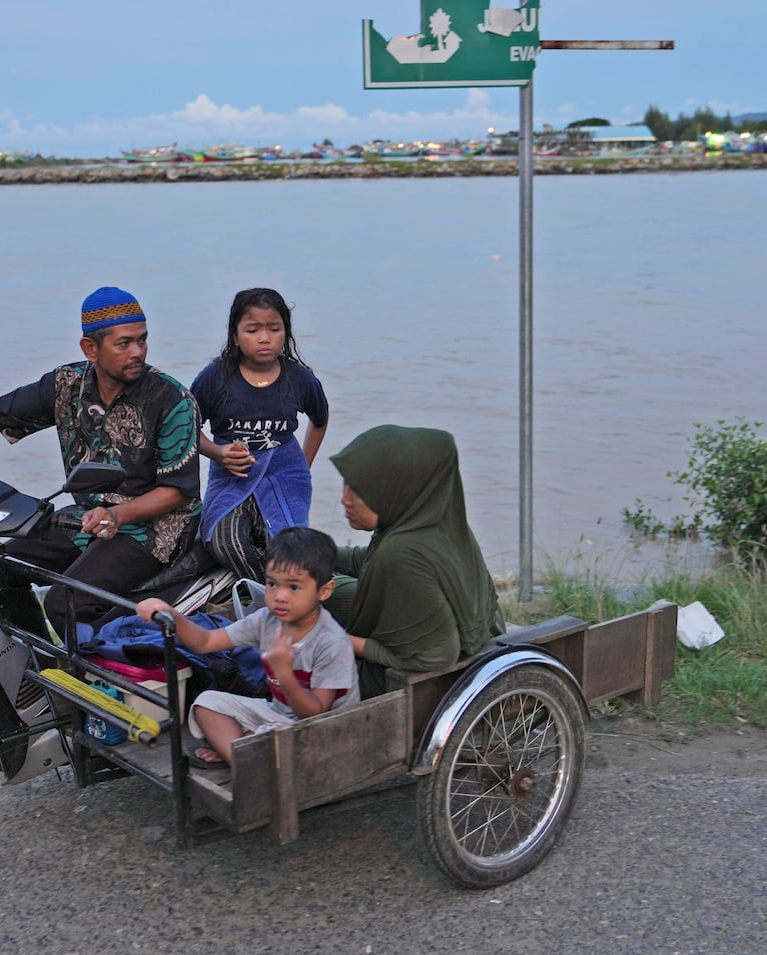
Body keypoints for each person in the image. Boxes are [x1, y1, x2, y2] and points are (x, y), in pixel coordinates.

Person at [0, 286, 201, 630]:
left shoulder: (171, 399)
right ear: (90, 348)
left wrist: (118, 513)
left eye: (142, 340)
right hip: (89, 518)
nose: (138, 352)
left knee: (65, 602)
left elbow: (179, 491)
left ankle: (96, 678)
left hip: (157, 530)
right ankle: (30, 667)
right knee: (0, 566)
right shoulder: (65, 385)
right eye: (124, 343)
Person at [136, 526, 356, 769]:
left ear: (324, 591)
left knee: (272, 733)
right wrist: (172, 614)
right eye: (272, 584)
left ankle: (245, 756)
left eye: (293, 587)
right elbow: (206, 641)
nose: (279, 596)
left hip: (323, 730)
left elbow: (315, 713)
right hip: (278, 713)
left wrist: (283, 673)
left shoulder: (331, 642)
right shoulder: (266, 620)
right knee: (207, 703)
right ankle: (245, 758)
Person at [325, 425, 506, 699]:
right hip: (480, 635)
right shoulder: (431, 521)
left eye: (359, 490)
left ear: (394, 489)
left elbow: (436, 658)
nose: (344, 499)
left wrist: (344, 643)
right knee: (325, 589)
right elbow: (369, 558)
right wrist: (318, 550)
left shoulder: (401, 555)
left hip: (406, 681)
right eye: (345, 484)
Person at [189, 287, 329, 581]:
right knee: (226, 544)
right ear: (236, 335)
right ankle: (271, 591)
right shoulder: (215, 379)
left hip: (285, 475)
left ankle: (285, 598)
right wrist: (218, 453)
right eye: (252, 330)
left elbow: (320, 420)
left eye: (274, 329)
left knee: (289, 548)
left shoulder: (300, 379)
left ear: (286, 333)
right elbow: (186, 427)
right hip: (231, 476)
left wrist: (302, 466)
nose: (264, 338)